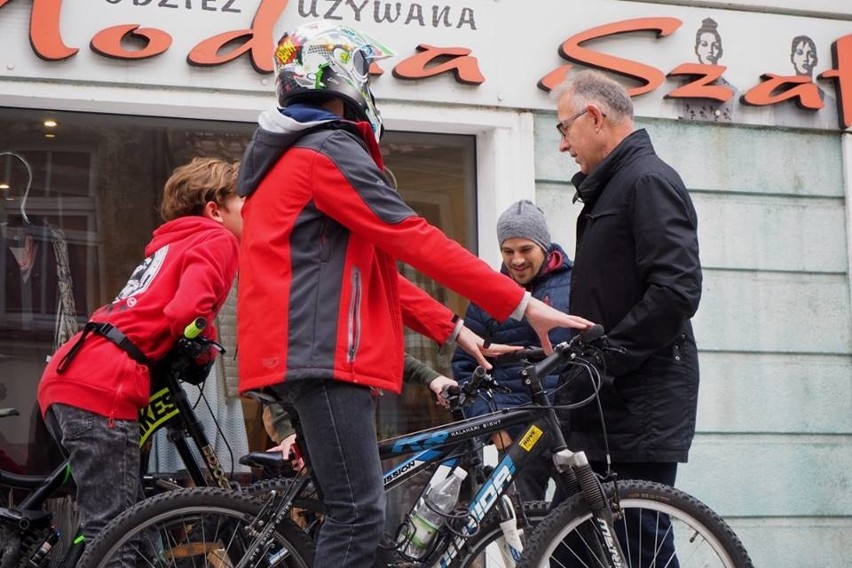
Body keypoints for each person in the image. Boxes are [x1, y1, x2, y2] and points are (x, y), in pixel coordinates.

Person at [236, 21, 593, 568]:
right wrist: (521, 303)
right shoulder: (324, 149)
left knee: (348, 514)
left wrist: (454, 329)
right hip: (321, 358)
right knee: (359, 515)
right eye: (367, 75)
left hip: (296, 354)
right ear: (341, 77)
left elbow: (376, 273)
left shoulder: (291, 157)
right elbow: (410, 236)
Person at [37, 157, 243, 542]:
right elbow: (187, 311)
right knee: (117, 535)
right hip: (102, 387)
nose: (252, 212)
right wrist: (203, 352)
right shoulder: (217, 238)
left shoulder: (170, 245)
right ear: (215, 210)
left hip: (74, 372)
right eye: (243, 202)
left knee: (130, 519)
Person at [552, 70, 702, 564]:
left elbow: (676, 290)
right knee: (572, 547)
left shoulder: (648, 179)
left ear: (594, 117)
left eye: (563, 129)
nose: (563, 145)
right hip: (605, 399)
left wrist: (606, 358)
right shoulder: (613, 187)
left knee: (640, 548)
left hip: (640, 402)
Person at [451, 199, 571, 502]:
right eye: (508, 251)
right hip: (514, 432)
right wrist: (493, 426)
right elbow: (467, 369)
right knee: (523, 527)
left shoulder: (576, 285)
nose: (516, 260)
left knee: (578, 523)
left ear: (544, 246)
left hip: (568, 426)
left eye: (525, 250)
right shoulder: (487, 296)